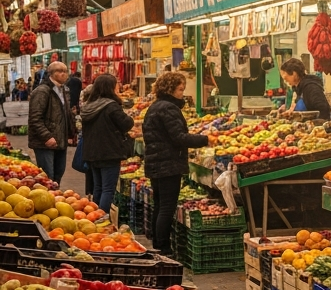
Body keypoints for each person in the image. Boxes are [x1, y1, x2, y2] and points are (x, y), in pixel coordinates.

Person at [143, 72, 214, 256]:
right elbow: (179, 137)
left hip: (156, 162)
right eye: (180, 89)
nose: (183, 93)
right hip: (168, 164)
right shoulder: (168, 108)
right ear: (170, 89)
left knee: (160, 205)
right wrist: (205, 139)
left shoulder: (155, 107)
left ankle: (158, 244)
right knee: (167, 206)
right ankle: (164, 248)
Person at [80, 74, 135, 216]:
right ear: (110, 87)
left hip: (92, 152)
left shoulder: (89, 106)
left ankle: (94, 216)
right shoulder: (111, 106)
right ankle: (102, 218)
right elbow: (126, 124)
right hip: (109, 152)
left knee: (98, 187)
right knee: (108, 189)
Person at [28, 62, 75, 182]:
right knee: (47, 176)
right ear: (51, 74)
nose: (64, 74)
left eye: (65, 71)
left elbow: (66, 114)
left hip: (60, 140)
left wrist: (70, 133)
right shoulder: (42, 91)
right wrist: (47, 137)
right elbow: (35, 118)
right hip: (44, 143)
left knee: (58, 175)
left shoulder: (64, 90)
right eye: (59, 71)